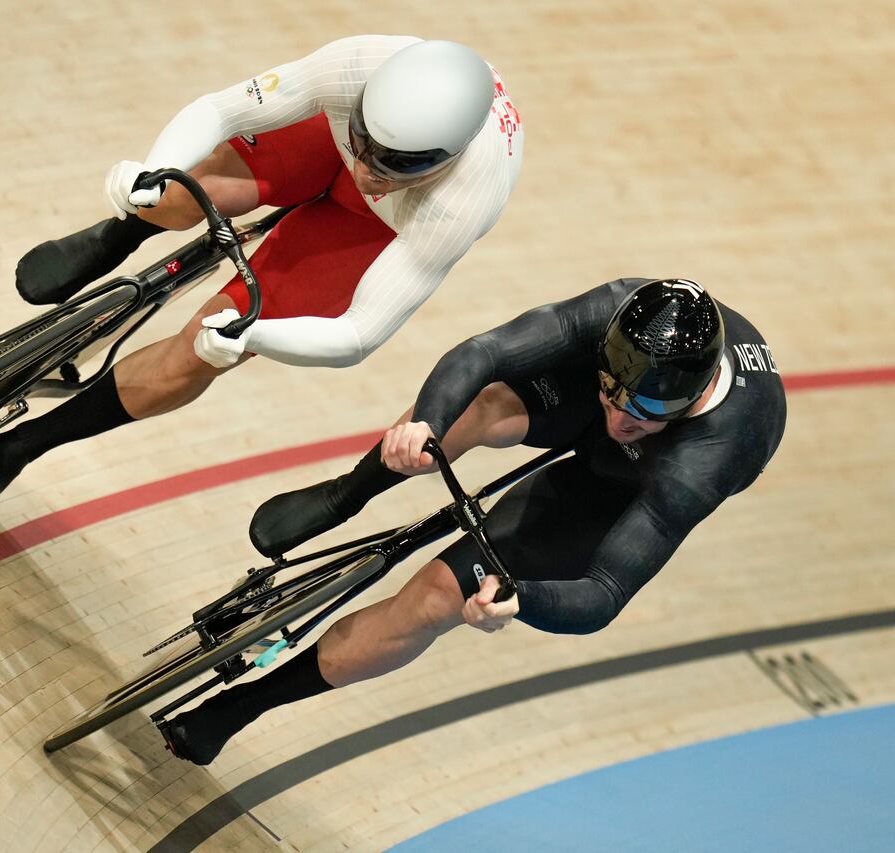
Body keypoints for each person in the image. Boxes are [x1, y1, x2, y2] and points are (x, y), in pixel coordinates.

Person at [160, 278, 787, 765]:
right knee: (480, 405)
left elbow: (605, 593)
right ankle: (347, 494)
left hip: (623, 488)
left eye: (644, 410)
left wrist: (520, 600)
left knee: (436, 597)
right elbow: (484, 351)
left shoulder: (705, 461)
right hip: (581, 409)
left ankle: (239, 707)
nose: (620, 418)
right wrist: (425, 422)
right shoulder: (618, 313)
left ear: (691, 398)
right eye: (612, 390)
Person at [0, 35, 524, 509]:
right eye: (367, 145)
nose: (370, 170)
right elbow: (223, 109)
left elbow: (359, 333)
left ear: (445, 159)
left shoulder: (461, 205)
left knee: (200, 350)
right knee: (180, 190)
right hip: (327, 136)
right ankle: (120, 233)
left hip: (385, 225)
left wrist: (254, 334)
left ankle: (23, 445)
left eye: (395, 163)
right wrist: (151, 171)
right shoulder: (354, 67)